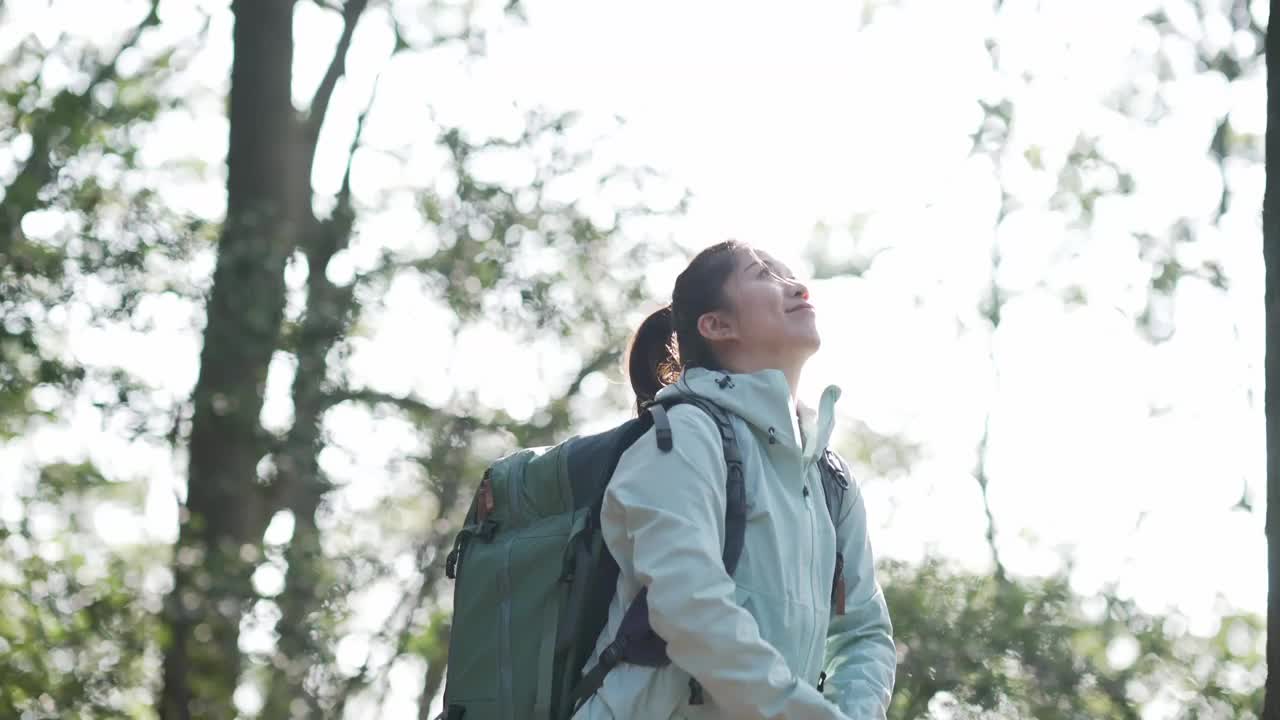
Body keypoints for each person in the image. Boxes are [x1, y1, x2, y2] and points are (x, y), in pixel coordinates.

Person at [572, 240, 896, 720]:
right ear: (717, 325)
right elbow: (689, 606)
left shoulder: (832, 478)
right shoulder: (683, 437)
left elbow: (862, 633)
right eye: (766, 276)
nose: (798, 287)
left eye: (790, 273)